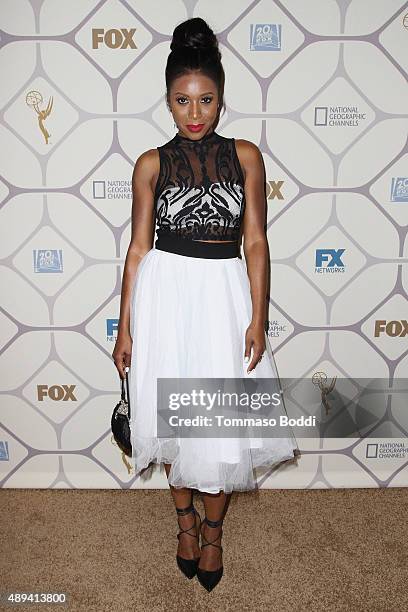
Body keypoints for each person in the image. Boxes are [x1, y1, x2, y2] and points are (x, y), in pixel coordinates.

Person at [112, 17, 299, 592]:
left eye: (206, 100)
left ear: (221, 98)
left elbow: (258, 241)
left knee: (216, 427)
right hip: (167, 296)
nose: (194, 113)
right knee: (175, 421)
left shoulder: (245, 155)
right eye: (181, 101)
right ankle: (184, 524)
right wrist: (126, 328)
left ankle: (213, 536)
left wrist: (259, 316)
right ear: (168, 102)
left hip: (222, 295)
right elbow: (140, 249)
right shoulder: (150, 163)